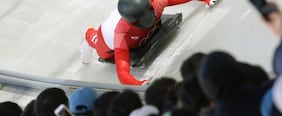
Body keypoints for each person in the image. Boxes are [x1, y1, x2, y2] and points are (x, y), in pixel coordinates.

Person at [80, 0, 217, 85]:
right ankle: (89, 34)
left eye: (149, 12)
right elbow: (122, 72)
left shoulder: (156, 3)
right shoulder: (119, 35)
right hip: (106, 36)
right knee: (103, 53)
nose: (149, 19)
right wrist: (138, 83)